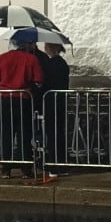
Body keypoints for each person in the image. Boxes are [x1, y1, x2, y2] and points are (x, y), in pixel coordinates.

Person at [0, 37, 43, 178]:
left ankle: (6, 169)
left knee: (6, 135)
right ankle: (25, 168)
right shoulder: (31, 59)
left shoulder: (1, 59)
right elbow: (39, 80)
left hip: (5, 99)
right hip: (24, 99)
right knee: (24, 135)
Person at [39, 40, 71, 177]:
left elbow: (45, 82)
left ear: (50, 47)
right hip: (60, 101)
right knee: (59, 134)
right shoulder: (62, 63)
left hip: (51, 102)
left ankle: (53, 165)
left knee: (52, 135)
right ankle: (62, 165)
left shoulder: (51, 64)